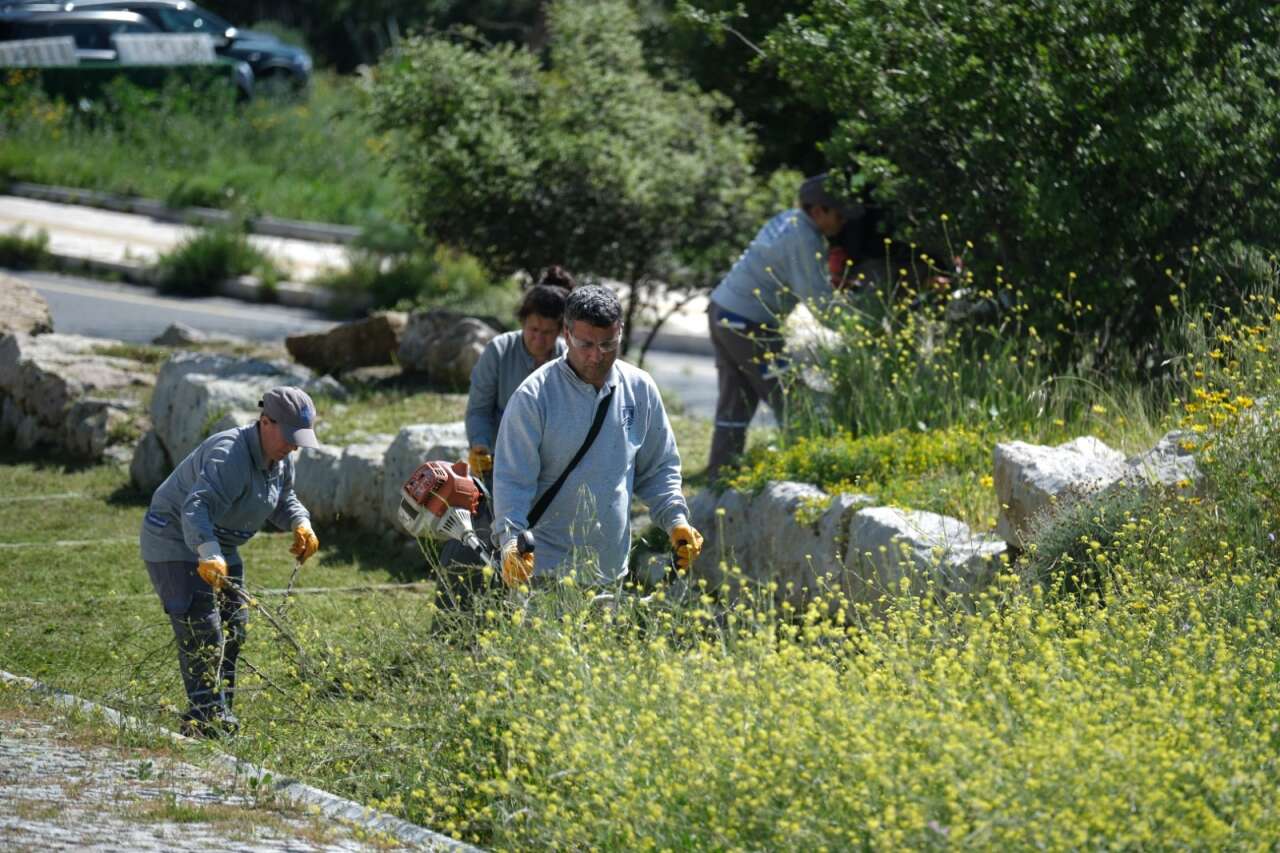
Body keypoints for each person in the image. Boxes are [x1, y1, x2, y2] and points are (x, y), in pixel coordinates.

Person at [491, 284, 703, 588]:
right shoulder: (534, 397)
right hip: (542, 570)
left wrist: (677, 521)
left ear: (621, 333)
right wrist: (511, 543)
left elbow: (658, 470)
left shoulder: (640, 389)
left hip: (609, 570)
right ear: (566, 334)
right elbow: (512, 481)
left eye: (608, 344)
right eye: (585, 344)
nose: (596, 356)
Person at [139, 386, 321, 737]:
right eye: (289, 437)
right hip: (176, 540)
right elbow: (196, 508)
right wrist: (208, 553)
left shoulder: (280, 458)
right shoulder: (230, 454)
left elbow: (284, 498)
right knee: (203, 630)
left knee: (234, 627)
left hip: (220, 544)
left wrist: (301, 523)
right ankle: (205, 720)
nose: (294, 446)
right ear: (265, 422)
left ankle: (219, 711)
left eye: (300, 439)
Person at [705, 173, 859, 481]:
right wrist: (858, 323)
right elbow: (817, 300)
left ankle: (720, 477)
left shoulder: (788, 220)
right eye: (838, 214)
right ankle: (805, 472)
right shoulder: (804, 237)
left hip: (723, 310)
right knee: (790, 398)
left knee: (736, 400)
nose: (843, 222)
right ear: (818, 211)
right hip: (747, 322)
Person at [465, 266, 575, 477]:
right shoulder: (499, 351)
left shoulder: (569, 359)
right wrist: (480, 444)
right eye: (533, 330)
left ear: (562, 331)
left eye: (547, 332)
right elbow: (479, 410)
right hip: (501, 460)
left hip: (552, 466)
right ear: (523, 322)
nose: (539, 339)